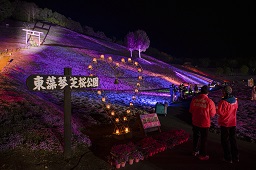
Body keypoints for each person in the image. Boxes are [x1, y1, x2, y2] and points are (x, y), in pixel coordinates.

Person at [189, 85, 216, 160]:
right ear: (207, 92)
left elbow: (191, 110)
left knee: (195, 137)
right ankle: (202, 154)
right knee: (203, 139)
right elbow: (212, 114)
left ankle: (194, 151)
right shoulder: (209, 102)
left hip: (195, 121)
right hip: (204, 123)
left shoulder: (194, 99)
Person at [217, 85, 239, 163]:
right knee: (233, 140)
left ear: (225, 92)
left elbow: (220, 112)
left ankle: (228, 157)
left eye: (223, 91)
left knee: (225, 141)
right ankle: (236, 157)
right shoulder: (235, 100)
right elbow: (236, 109)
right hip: (233, 122)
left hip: (225, 123)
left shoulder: (223, 102)